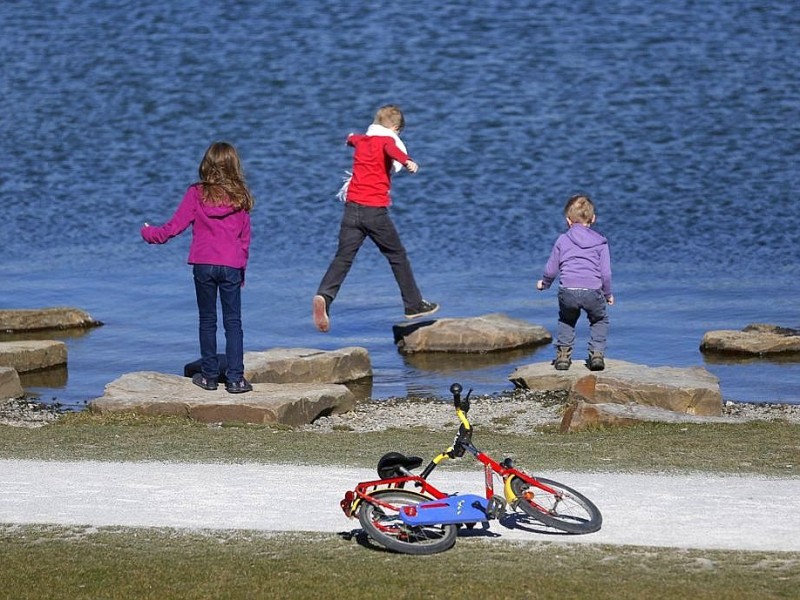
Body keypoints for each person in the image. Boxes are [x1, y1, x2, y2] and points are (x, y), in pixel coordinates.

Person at [312, 104, 438, 333]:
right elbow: (393, 151)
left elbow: (351, 138)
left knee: (343, 258)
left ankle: (324, 296)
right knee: (397, 255)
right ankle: (413, 304)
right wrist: (408, 161)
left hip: (351, 210)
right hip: (374, 212)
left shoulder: (361, 140)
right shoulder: (387, 142)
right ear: (394, 127)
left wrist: (348, 138)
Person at [141, 141, 254, 393]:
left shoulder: (197, 193)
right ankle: (235, 379)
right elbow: (245, 240)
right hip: (231, 265)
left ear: (207, 165)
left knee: (207, 320)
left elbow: (172, 227)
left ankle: (210, 377)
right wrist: (241, 270)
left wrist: (149, 233)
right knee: (233, 322)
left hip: (204, 265)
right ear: (234, 166)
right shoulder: (241, 196)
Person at [536, 194, 614, 371]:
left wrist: (545, 283)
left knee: (566, 320)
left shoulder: (563, 240)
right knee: (599, 320)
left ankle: (563, 357)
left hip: (568, 291)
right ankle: (596, 355)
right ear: (593, 219)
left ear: (568, 221)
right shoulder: (601, 243)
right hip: (593, 291)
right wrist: (608, 294)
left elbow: (551, 269)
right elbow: (606, 274)